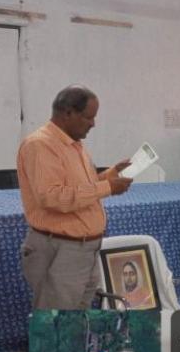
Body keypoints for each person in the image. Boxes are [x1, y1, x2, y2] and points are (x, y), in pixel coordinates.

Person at [18, 85, 132, 311]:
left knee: (76, 320)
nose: (93, 124)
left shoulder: (74, 144)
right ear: (68, 113)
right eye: (89, 117)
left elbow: (80, 188)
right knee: (57, 321)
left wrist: (109, 175)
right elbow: (53, 197)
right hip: (61, 249)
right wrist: (108, 187)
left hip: (83, 250)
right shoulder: (41, 145)